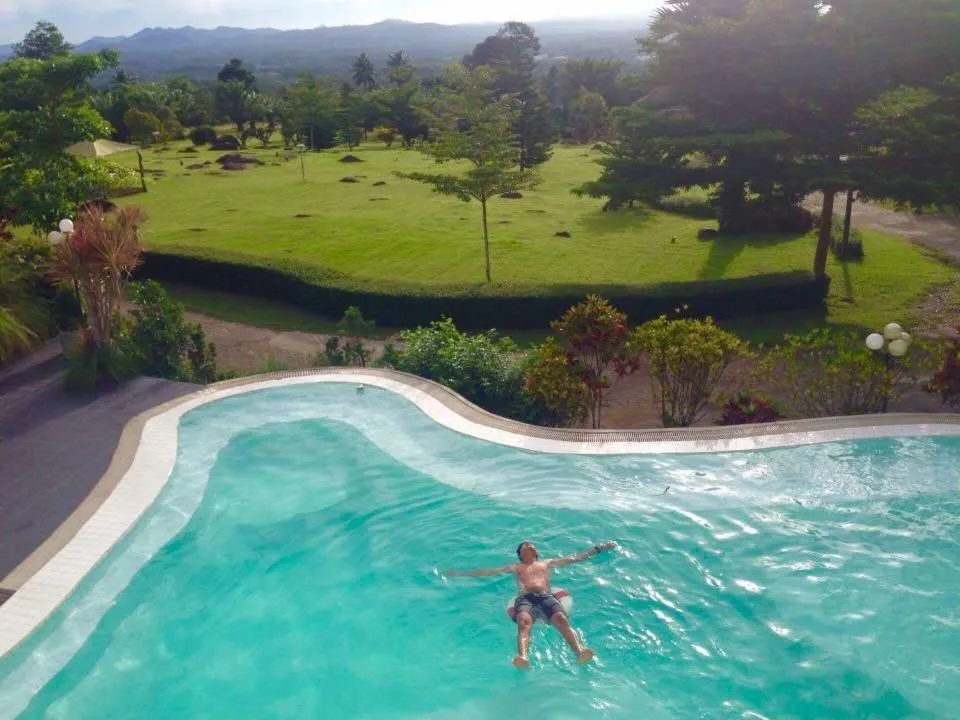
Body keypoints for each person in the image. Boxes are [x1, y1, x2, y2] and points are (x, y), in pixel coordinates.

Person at [443, 540, 617, 669]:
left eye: (531, 545)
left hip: (545, 596)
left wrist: (599, 548)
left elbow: (575, 558)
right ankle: (523, 657)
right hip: (525, 599)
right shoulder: (516, 567)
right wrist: (460, 574)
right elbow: (488, 572)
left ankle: (579, 652)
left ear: (535, 552)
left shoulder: (546, 563)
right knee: (523, 623)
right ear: (520, 554)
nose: (528, 545)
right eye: (525, 545)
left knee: (561, 619)